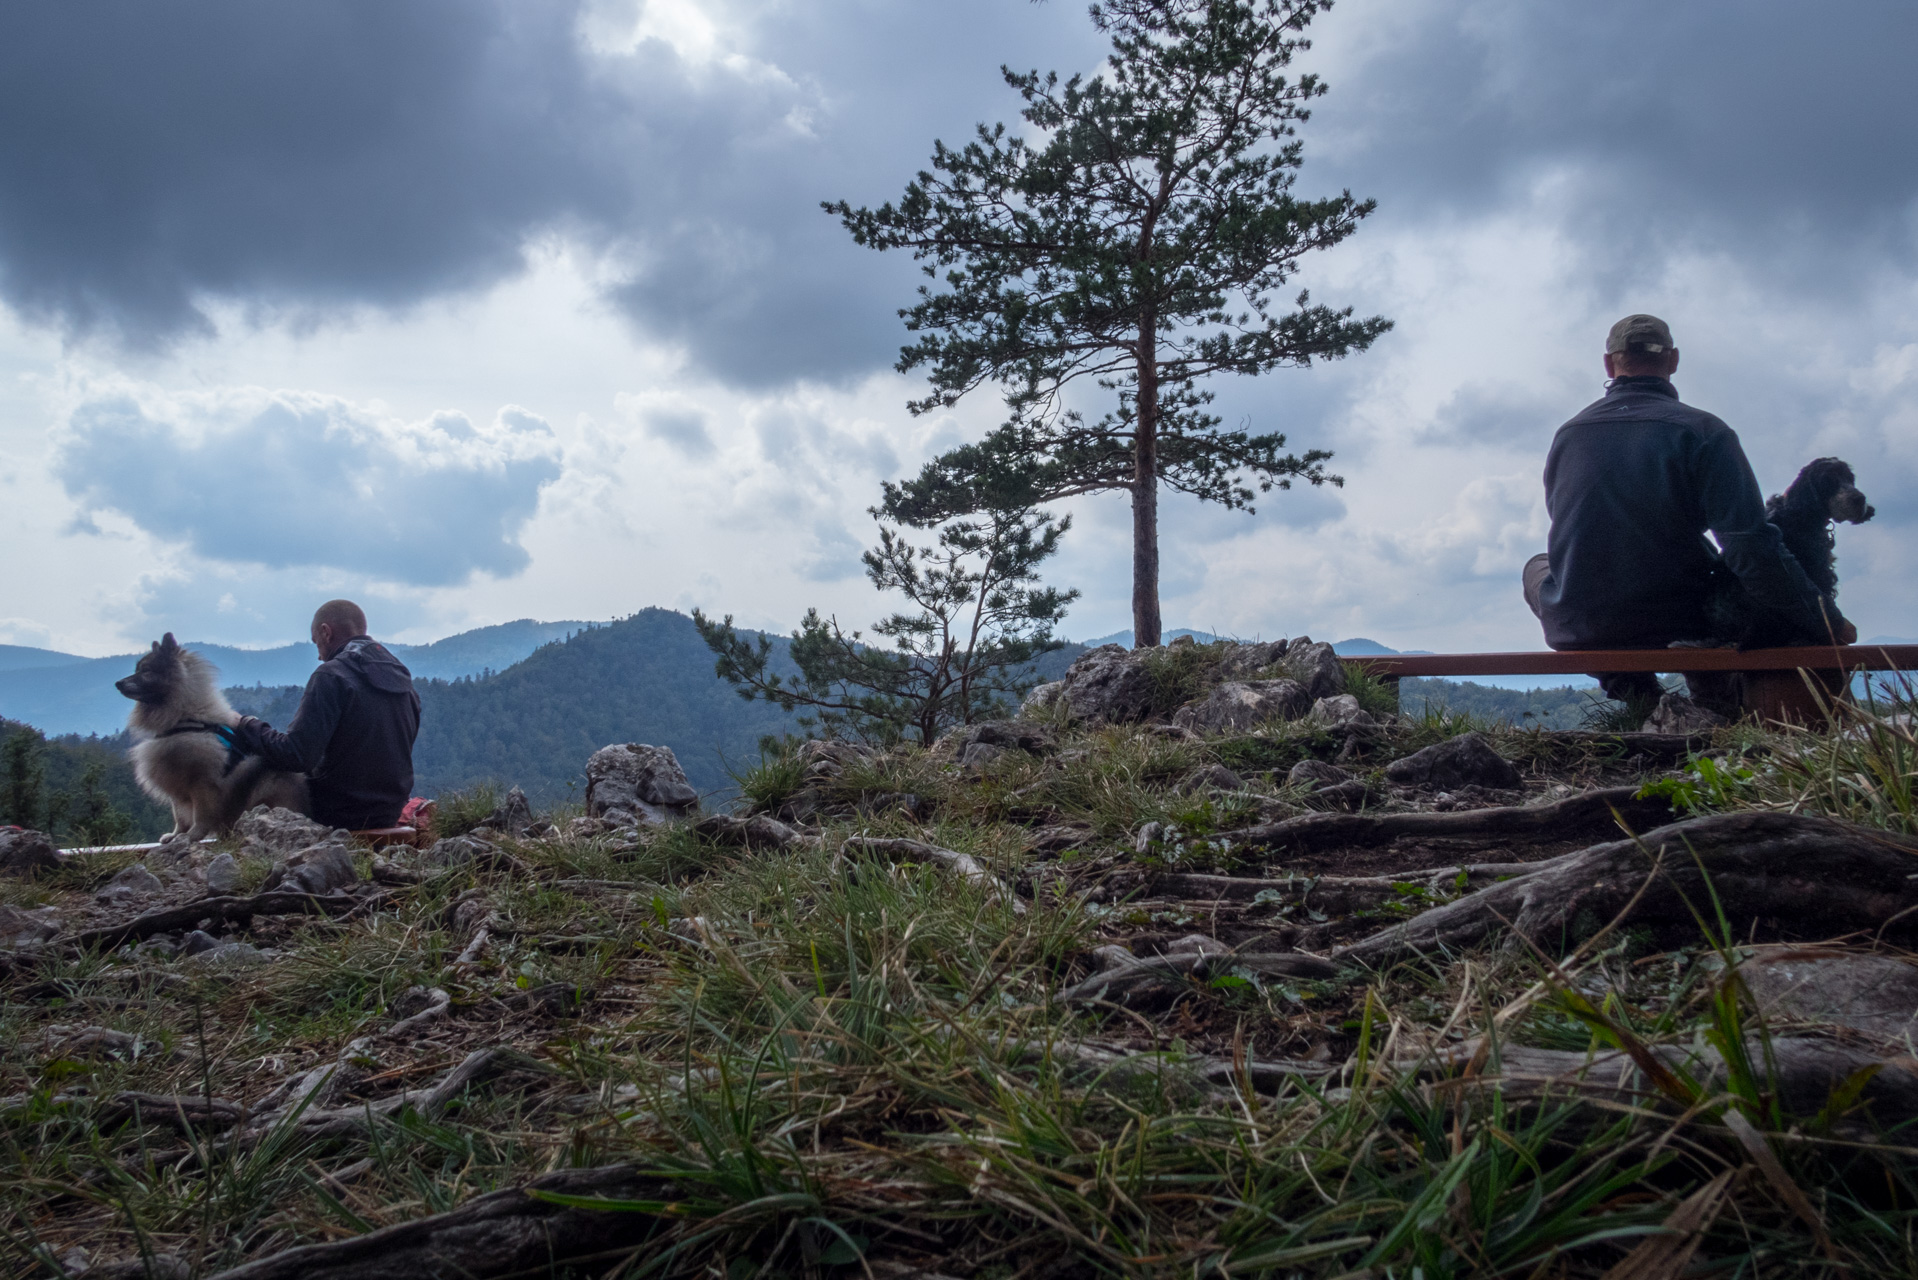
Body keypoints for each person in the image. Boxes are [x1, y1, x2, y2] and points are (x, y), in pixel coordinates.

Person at [1522, 314, 1853, 712]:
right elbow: (1751, 548)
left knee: (1538, 566)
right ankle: (1713, 693)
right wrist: (1826, 619)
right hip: (1681, 619)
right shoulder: (1706, 432)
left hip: (1582, 623)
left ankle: (1634, 693)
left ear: (1609, 364)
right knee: (1714, 568)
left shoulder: (1569, 433)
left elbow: (1575, 528)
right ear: (1673, 360)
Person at [233, 599, 421, 830]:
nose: (319, 656)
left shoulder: (331, 675)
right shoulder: (403, 679)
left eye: (316, 643)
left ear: (326, 632)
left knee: (262, 764)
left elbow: (296, 755)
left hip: (337, 813)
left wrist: (246, 725)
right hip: (389, 811)